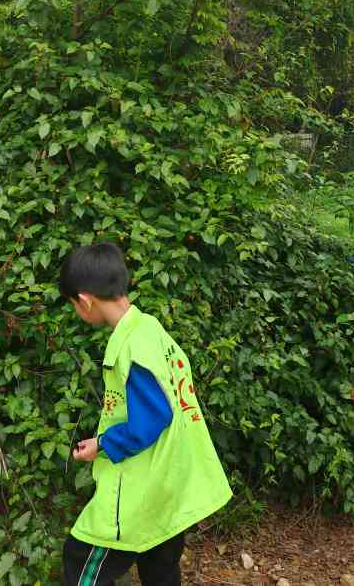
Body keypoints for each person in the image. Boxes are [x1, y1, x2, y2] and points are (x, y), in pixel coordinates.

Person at [59, 243, 232, 586]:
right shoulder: (151, 329)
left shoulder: (133, 345)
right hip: (170, 483)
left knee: (81, 563)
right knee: (160, 567)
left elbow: (152, 419)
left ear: (85, 300)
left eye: (73, 306)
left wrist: (104, 444)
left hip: (142, 486)